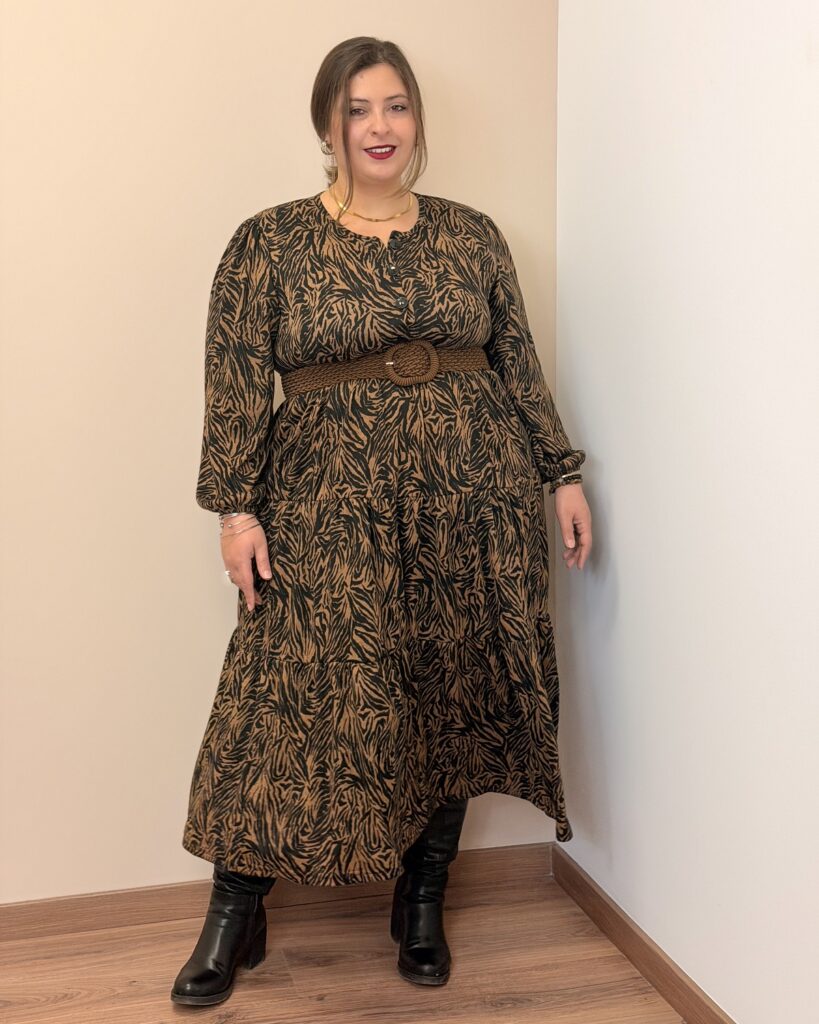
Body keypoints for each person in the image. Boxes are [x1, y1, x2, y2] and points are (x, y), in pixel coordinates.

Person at [171, 35, 592, 1007]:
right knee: (279, 697)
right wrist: (235, 511)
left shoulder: (472, 236)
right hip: (327, 505)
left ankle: (423, 896)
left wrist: (560, 472)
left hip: (472, 498)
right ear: (327, 125)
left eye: (395, 105)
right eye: (357, 108)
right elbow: (235, 383)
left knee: (447, 689)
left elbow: (516, 360)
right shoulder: (269, 242)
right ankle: (235, 911)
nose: (379, 126)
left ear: (416, 120)